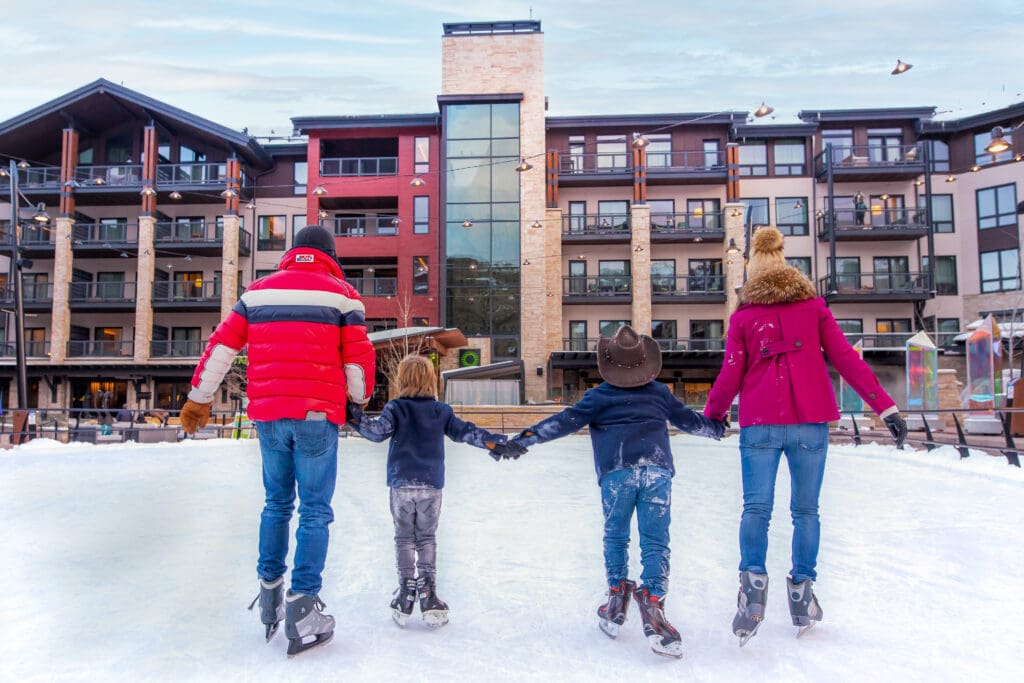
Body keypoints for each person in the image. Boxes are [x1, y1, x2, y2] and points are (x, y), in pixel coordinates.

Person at [703, 226, 908, 645]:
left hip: (760, 422)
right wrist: (885, 406)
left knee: (756, 508)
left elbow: (731, 373)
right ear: (785, 266)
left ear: (753, 272)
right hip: (810, 422)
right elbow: (848, 361)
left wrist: (714, 415)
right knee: (806, 511)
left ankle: (753, 591)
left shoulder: (744, 317)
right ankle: (801, 593)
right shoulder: (814, 309)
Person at [179, 225, 376, 657]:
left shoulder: (256, 293)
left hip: (269, 415)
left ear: (293, 253)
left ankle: (270, 592)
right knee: (315, 509)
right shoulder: (343, 295)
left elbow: (220, 348)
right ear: (330, 254)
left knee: (276, 504)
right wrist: (358, 397)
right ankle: (302, 604)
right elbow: (358, 357)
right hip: (316, 415)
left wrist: (198, 399)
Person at [507, 325, 726, 658]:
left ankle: (616, 595)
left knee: (616, 536)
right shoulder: (658, 394)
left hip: (617, 473)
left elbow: (563, 422)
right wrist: (716, 429)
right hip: (656, 473)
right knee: (655, 540)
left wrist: (524, 439)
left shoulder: (598, 397)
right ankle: (652, 602)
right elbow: (688, 420)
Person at [347, 354, 515, 628]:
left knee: (404, 538)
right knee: (426, 538)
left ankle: (405, 593)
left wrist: (351, 414)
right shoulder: (441, 411)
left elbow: (376, 433)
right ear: (430, 380)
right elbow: (466, 432)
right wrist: (493, 442)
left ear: (402, 379)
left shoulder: (396, 408)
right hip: (430, 484)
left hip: (401, 483)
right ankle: (428, 592)